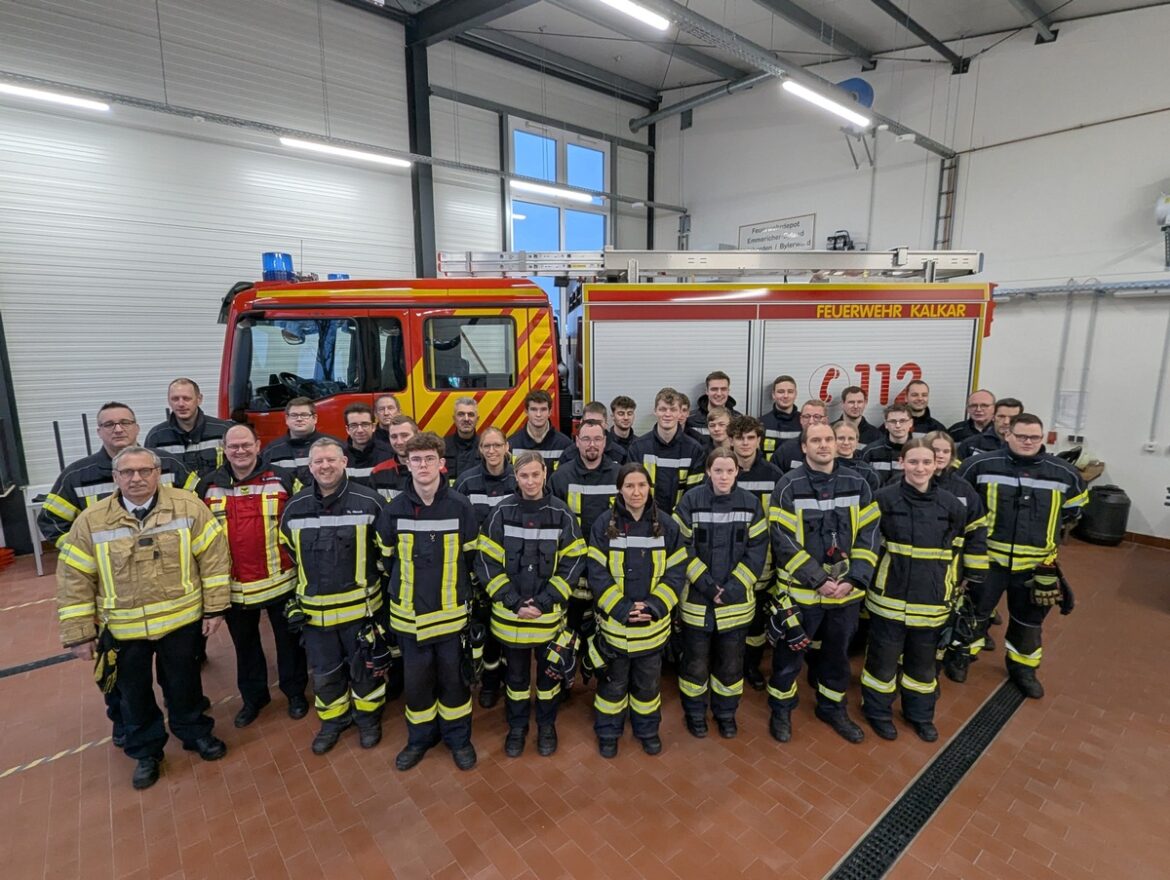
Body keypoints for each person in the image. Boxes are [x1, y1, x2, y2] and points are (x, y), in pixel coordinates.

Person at [56, 445, 229, 789]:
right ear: (116, 477)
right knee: (132, 695)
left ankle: (195, 733)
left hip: (180, 622)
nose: (137, 478)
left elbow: (213, 559)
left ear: (157, 473)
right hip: (123, 629)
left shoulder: (188, 507)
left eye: (145, 471)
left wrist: (215, 607)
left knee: (185, 685)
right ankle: (146, 752)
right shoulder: (91, 521)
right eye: (128, 473)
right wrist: (79, 633)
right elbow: (74, 576)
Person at [943, 414, 1087, 698]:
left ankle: (1023, 668)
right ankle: (960, 656)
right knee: (973, 613)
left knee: (1028, 622)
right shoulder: (979, 466)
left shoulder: (1064, 473)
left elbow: (1074, 510)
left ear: (1042, 437)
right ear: (1007, 434)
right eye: (1021, 436)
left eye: (1034, 437)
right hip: (988, 561)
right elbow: (960, 504)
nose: (1027, 442)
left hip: (1036, 567)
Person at [862, 439, 987, 742]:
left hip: (932, 599)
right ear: (901, 463)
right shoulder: (882, 499)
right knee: (882, 661)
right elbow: (864, 544)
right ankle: (877, 712)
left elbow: (972, 538)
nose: (920, 468)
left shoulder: (952, 505)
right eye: (914, 462)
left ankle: (919, 715)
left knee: (923, 665)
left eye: (926, 462)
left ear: (937, 465)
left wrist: (972, 576)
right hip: (888, 596)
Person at [768, 423, 880, 744]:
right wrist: (817, 580)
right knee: (789, 657)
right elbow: (783, 540)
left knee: (837, 656)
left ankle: (831, 707)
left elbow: (870, 536)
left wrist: (854, 579)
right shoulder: (788, 487)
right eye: (815, 440)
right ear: (804, 447)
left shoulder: (859, 484)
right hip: (802, 594)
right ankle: (781, 708)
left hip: (845, 595)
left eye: (828, 439)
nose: (824, 445)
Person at [378, 432, 480, 772]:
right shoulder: (394, 510)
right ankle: (419, 739)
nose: (422, 465)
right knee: (417, 685)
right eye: (416, 460)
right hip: (409, 618)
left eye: (429, 459)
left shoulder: (460, 507)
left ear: (442, 465)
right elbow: (386, 560)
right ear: (407, 464)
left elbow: (471, 558)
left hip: (450, 616)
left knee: (454, 682)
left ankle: (458, 739)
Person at [280, 438, 388, 755]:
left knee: (366, 670)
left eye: (331, 460)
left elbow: (385, 555)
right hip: (315, 616)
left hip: (361, 611)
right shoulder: (295, 508)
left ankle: (368, 719)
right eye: (318, 462)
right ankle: (333, 721)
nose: (325, 466)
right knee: (325, 675)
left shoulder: (370, 502)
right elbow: (289, 555)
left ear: (344, 462)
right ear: (309, 467)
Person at [197, 423, 309, 727]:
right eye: (233, 446)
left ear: (258, 446)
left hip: (281, 582)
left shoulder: (283, 479)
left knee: (289, 645)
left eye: (246, 445)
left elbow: (303, 519)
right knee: (245, 648)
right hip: (235, 587)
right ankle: (254, 699)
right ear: (224, 449)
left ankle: (296, 693)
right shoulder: (208, 486)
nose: (240, 451)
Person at [477, 452, 585, 757]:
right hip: (511, 619)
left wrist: (545, 600)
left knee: (549, 678)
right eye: (524, 476)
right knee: (517, 679)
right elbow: (486, 563)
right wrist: (513, 602)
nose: (530, 481)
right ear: (516, 477)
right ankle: (518, 727)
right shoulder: (501, 513)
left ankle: (547, 726)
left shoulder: (562, 514)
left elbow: (574, 561)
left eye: (535, 475)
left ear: (545, 474)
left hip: (547, 618)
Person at [587, 463, 687, 757]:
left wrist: (655, 606)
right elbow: (596, 572)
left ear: (649, 488)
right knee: (612, 687)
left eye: (641, 485)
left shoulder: (668, 526)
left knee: (647, 687)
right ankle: (608, 731)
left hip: (652, 629)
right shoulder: (603, 525)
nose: (636, 492)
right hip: (615, 629)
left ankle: (647, 730)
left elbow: (677, 572)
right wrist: (621, 608)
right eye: (629, 486)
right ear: (619, 489)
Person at [673, 448, 767, 739]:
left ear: (737, 472)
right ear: (708, 472)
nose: (723, 476)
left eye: (729, 470)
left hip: (735, 605)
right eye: (718, 471)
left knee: (730, 666)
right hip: (697, 603)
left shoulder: (752, 504)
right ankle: (696, 714)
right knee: (695, 665)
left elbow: (757, 551)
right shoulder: (690, 501)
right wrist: (709, 586)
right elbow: (681, 548)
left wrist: (733, 588)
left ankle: (726, 714)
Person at [40, 401, 196, 551]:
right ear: (99, 432)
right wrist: (85, 550)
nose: (118, 429)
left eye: (125, 423)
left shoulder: (169, 464)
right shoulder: (76, 477)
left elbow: (197, 507)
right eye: (109, 424)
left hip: (169, 562)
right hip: (111, 570)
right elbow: (51, 522)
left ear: (137, 428)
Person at [455, 427, 517, 709]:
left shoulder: (521, 478)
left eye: (496, 445)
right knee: (489, 633)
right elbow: (460, 530)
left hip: (515, 570)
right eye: (486, 446)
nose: (492, 451)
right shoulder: (467, 482)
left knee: (513, 629)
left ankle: (513, 679)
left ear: (507, 447)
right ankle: (490, 683)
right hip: (481, 574)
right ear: (480, 450)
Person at [549, 420, 620, 660]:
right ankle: (569, 670)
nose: (592, 444)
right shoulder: (561, 477)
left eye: (597, 439)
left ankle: (601, 670)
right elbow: (553, 525)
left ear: (605, 442)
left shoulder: (619, 476)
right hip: (573, 567)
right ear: (577, 442)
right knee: (572, 625)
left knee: (606, 627)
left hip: (610, 566)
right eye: (586, 439)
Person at [727, 415, 782, 692]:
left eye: (750, 438)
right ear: (731, 441)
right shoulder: (722, 471)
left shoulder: (774, 476)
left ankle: (751, 666)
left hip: (763, 562)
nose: (745, 443)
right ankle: (728, 666)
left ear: (759, 441)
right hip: (726, 560)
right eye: (740, 438)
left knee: (756, 623)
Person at [627, 387, 705, 515]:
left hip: (680, 521)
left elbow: (694, 493)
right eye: (662, 409)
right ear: (655, 411)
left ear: (680, 413)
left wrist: (675, 518)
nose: (667, 414)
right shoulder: (638, 448)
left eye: (673, 409)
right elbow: (631, 487)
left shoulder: (694, 450)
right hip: (644, 519)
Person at [144, 378, 232, 478]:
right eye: (175, 399)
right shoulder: (156, 437)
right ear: (169, 401)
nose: (181, 404)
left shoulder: (223, 431)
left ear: (199, 399)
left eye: (186, 398)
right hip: (175, 494)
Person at [262, 398, 330, 489]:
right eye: (294, 415)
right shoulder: (271, 451)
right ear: (287, 419)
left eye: (304, 415)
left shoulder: (333, 447)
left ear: (315, 418)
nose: (299, 419)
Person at [509, 389, 571, 469]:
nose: (538, 414)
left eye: (543, 409)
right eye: (534, 409)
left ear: (550, 412)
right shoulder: (512, 444)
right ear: (526, 411)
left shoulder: (564, 445)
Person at [369, 414, 419, 502]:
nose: (399, 442)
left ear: (417, 435)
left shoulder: (435, 470)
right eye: (394, 437)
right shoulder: (378, 472)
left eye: (404, 435)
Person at [342, 403, 395, 484]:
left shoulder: (390, 454)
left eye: (365, 424)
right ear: (347, 429)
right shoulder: (339, 457)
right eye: (354, 425)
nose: (360, 430)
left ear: (373, 427)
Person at [771, 400, 828, 474]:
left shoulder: (834, 448)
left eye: (816, 417)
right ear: (801, 419)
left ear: (826, 420)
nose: (811, 421)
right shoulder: (786, 450)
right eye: (806, 417)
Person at [862, 404, 913, 485]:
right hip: (877, 497)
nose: (898, 425)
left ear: (911, 423)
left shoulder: (919, 451)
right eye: (893, 421)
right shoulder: (870, 452)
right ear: (886, 424)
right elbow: (862, 483)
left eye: (902, 421)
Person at [957, 397, 1023, 459]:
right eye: (1001, 416)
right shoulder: (971, 444)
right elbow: (955, 469)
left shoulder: (1027, 446)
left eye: (1012, 418)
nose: (1006, 422)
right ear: (993, 417)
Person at [686, 371, 741, 440]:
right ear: (707, 391)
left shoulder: (739, 419)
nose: (719, 394)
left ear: (728, 391)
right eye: (714, 389)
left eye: (723, 389)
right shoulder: (690, 419)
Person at [761, 375, 801, 459]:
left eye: (790, 391)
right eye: (781, 391)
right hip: (770, 471)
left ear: (795, 394)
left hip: (797, 471)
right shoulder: (761, 423)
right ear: (773, 395)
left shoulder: (804, 421)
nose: (785, 396)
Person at [834, 421, 881, 493]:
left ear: (857, 441)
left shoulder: (869, 473)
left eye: (851, 439)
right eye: (841, 438)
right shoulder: (823, 468)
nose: (846, 443)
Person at [444, 397, 481, 484]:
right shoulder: (442, 446)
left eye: (471, 414)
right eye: (461, 414)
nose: (466, 419)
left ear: (477, 419)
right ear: (454, 418)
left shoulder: (486, 446)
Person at [836, 385, 882, 450]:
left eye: (859, 402)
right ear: (842, 403)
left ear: (865, 403)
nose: (856, 406)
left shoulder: (876, 435)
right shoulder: (830, 430)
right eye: (851, 402)